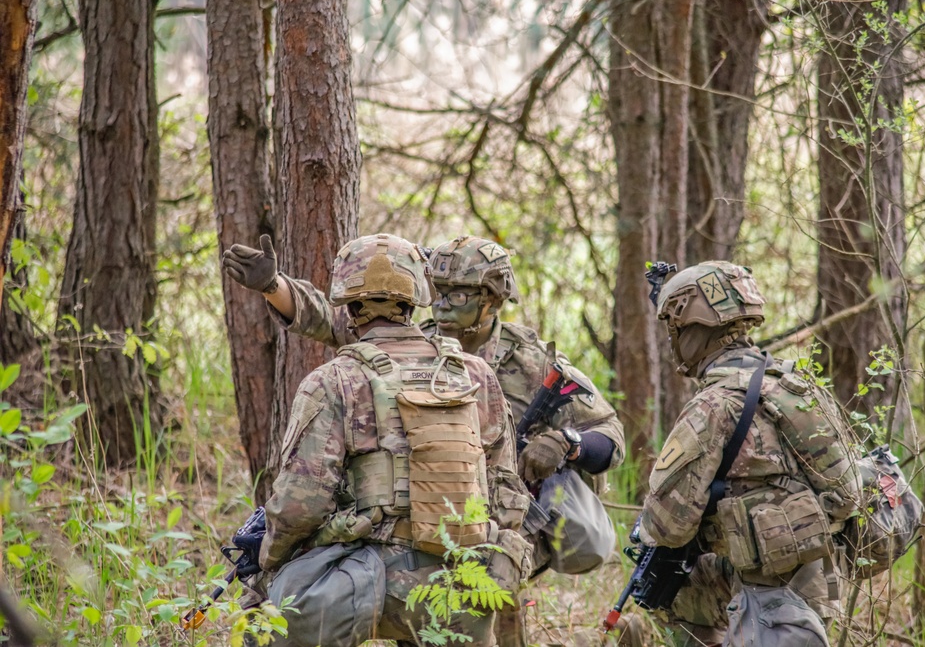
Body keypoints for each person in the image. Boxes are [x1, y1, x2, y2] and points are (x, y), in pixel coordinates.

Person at [224, 234, 626, 646]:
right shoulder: (430, 345)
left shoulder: (531, 360)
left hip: (476, 538)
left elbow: (608, 435)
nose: (445, 303)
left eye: (459, 294)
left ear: (492, 298)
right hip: (447, 552)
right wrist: (275, 286)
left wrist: (565, 442)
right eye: (440, 292)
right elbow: (333, 317)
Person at [256, 234, 531, 646]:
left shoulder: (334, 381)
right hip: (467, 581)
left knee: (269, 624)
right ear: (417, 299)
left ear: (348, 308)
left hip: (371, 585)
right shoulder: (475, 374)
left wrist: (269, 567)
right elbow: (505, 488)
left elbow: (300, 503)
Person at [638, 261, 863, 647]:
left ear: (692, 330)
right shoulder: (798, 387)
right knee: (676, 585)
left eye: (674, 329)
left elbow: (665, 528)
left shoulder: (713, 405)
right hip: (825, 582)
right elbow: (849, 492)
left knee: (661, 582)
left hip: (766, 598)